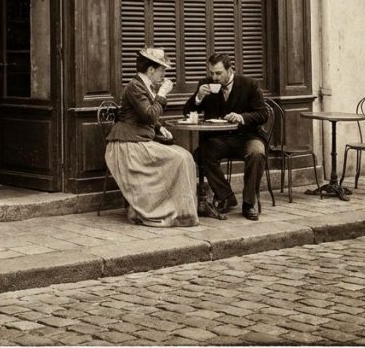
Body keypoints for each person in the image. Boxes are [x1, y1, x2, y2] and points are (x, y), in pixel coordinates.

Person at [105, 47, 198, 228]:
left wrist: (160, 128)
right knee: (178, 158)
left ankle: (181, 210)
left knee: (185, 156)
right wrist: (162, 93)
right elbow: (149, 114)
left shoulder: (144, 85)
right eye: (162, 70)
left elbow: (146, 116)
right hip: (127, 145)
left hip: (138, 140)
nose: (163, 74)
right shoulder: (135, 86)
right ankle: (161, 209)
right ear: (151, 70)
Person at [182, 53, 270, 221]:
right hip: (220, 139)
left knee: (257, 153)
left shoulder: (249, 85)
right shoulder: (205, 85)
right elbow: (187, 112)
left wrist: (242, 117)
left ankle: (248, 203)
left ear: (230, 70)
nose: (214, 77)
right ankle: (226, 196)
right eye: (211, 73)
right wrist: (198, 97)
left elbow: (263, 114)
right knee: (201, 154)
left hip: (247, 136)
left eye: (218, 73)